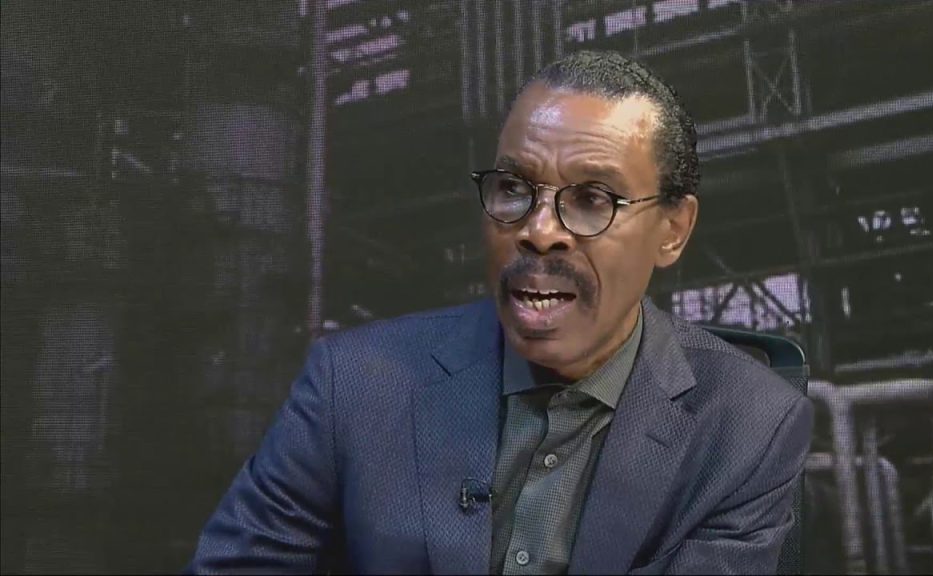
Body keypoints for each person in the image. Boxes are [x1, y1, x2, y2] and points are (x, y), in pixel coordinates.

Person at [186, 50, 813, 575]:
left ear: (673, 230)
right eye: (514, 189)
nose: (539, 231)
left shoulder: (749, 425)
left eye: (592, 199)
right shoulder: (351, 383)